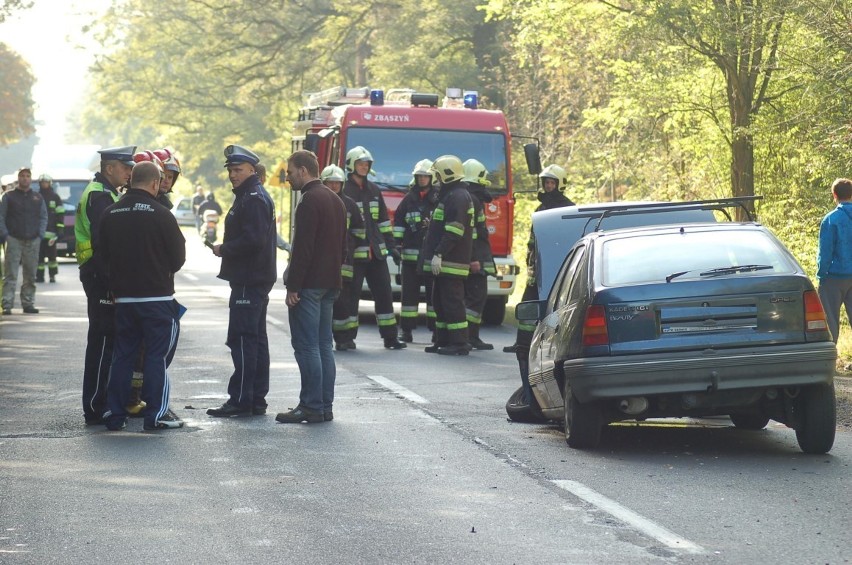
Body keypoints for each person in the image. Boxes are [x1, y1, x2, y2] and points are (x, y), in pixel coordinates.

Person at [99, 160, 186, 431]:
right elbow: (178, 257)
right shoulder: (161, 214)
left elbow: (102, 256)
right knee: (155, 357)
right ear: (155, 183)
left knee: (123, 356)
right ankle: (155, 415)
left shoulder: (110, 213)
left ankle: (115, 414)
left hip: (124, 299)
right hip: (157, 299)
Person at [207, 144, 277, 418]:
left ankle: (241, 400)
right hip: (251, 277)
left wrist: (225, 248)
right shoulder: (249, 195)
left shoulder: (253, 198)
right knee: (255, 340)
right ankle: (255, 398)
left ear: (251, 170)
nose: (233, 175)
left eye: (238, 170)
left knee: (244, 340)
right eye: (231, 171)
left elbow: (254, 240)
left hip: (250, 278)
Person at [277, 151, 347, 424]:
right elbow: (343, 247)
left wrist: (293, 285)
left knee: (306, 347)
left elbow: (302, 249)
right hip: (331, 283)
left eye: (290, 172)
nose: (287, 177)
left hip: (309, 286)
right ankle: (324, 406)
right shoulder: (335, 199)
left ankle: (310, 405)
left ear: (304, 171)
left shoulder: (308, 201)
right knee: (323, 346)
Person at [76, 145, 136, 425]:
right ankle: (95, 406)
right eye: (125, 168)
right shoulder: (100, 196)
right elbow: (104, 245)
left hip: (100, 276)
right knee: (101, 344)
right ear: (109, 168)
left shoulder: (108, 193)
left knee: (107, 342)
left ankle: (102, 403)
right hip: (99, 277)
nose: (129, 173)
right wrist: (112, 283)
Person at [504, 164, 575, 354]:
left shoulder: (568, 208)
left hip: (554, 268)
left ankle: (550, 347)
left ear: (560, 184)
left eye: (552, 182)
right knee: (527, 305)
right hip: (536, 267)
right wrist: (530, 259)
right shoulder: (541, 207)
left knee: (552, 308)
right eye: (547, 182)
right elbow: (532, 240)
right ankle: (523, 344)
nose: (548, 186)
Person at [341, 146, 406, 350]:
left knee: (385, 295)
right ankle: (346, 338)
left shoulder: (374, 190)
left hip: (376, 254)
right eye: (360, 163)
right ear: (352, 165)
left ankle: (390, 338)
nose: (364, 167)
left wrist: (392, 247)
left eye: (367, 164)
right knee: (350, 298)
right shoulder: (344, 191)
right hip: (355, 256)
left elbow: (384, 223)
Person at [418, 155, 474, 356]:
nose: (436, 180)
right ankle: (443, 340)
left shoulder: (458, 197)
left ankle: (459, 343)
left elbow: (454, 231)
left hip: (451, 262)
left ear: (448, 175)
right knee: (440, 303)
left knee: (452, 304)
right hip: (445, 263)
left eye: (439, 175)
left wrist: (439, 253)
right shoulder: (450, 195)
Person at [320, 165, 366, 350]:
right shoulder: (318, 202)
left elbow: (360, 231)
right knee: (322, 302)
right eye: (330, 183)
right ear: (324, 183)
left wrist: (349, 244)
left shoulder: (350, 204)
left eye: (337, 183)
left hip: (344, 263)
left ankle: (344, 338)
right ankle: (323, 338)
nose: (333, 186)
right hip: (322, 264)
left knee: (343, 302)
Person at [393, 159, 438, 343]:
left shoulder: (438, 199)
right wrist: (396, 246)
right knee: (408, 298)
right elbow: (399, 224)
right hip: (410, 259)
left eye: (425, 176)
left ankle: (436, 331)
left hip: (430, 258)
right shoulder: (408, 200)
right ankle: (406, 331)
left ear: (432, 178)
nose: (422, 179)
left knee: (434, 297)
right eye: (419, 176)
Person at [0, 167, 47, 315]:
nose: (25, 178)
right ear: (18, 178)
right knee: (11, 274)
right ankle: (6, 304)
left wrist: (40, 234)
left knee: (30, 274)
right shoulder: (8, 196)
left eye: (27, 176)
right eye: (22, 176)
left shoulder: (37, 197)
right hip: (13, 239)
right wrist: (6, 234)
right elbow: (1, 217)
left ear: (31, 179)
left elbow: (43, 217)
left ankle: (28, 303)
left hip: (33, 240)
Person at [462, 159, 497, 350]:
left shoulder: (471, 199)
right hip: (475, 260)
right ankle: (469, 336)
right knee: (476, 298)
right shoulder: (473, 200)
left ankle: (471, 335)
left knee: (475, 298)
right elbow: (472, 234)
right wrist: (473, 259)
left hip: (476, 257)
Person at [817, 177, 852, 343]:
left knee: (830, 320)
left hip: (835, 277)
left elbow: (826, 252)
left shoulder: (831, 219)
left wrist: (821, 276)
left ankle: (830, 357)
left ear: (834, 195)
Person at [34, 174, 63, 284]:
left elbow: (60, 214)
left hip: (52, 234)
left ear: (49, 183)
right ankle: (40, 276)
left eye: (46, 182)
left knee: (52, 257)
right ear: (40, 184)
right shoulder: (36, 196)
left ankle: (52, 276)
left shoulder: (55, 197)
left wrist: (60, 230)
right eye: (42, 182)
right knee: (39, 257)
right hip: (39, 233)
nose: (44, 184)